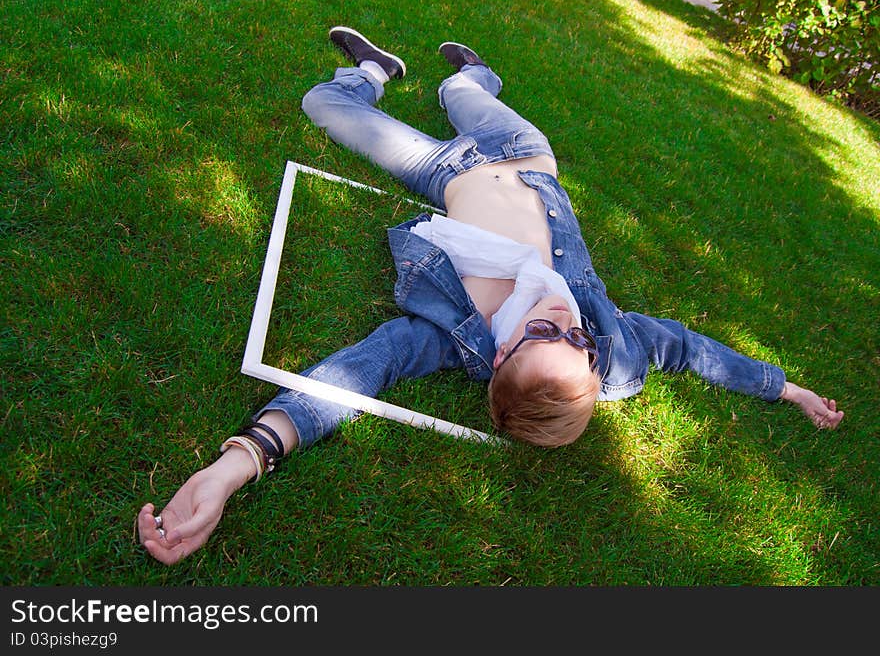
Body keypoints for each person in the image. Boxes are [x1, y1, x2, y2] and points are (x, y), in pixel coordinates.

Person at [138, 27, 843, 565]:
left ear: (502, 350)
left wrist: (238, 462)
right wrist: (788, 389)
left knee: (321, 103)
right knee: (463, 95)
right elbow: (690, 350)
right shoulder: (614, 350)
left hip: (447, 172)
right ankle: (471, 77)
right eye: (581, 346)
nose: (569, 324)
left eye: (549, 339)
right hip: (523, 152)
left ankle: (373, 72)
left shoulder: (452, 336)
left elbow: (356, 373)